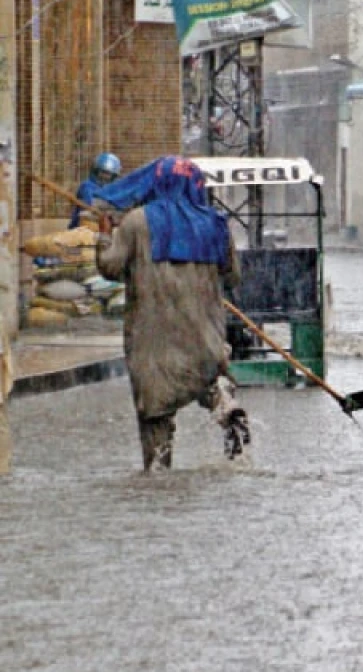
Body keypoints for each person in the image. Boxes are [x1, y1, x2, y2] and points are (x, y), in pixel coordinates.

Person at [94, 156, 250, 472]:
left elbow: (110, 267)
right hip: (204, 337)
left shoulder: (137, 223)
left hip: (155, 343)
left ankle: (160, 474)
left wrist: (104, 236)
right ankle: (224, 404)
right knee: (210, 381)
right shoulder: (215, 224)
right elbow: (232, 276)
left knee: (156, 415)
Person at [69, 152, 121, 229]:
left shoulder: (112, 190)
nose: (104, 176)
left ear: (113, 176)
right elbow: (90, 207)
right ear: (96, 171)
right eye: (102, 172)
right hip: (82, 228)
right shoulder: (87, 187)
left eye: (108, 174)